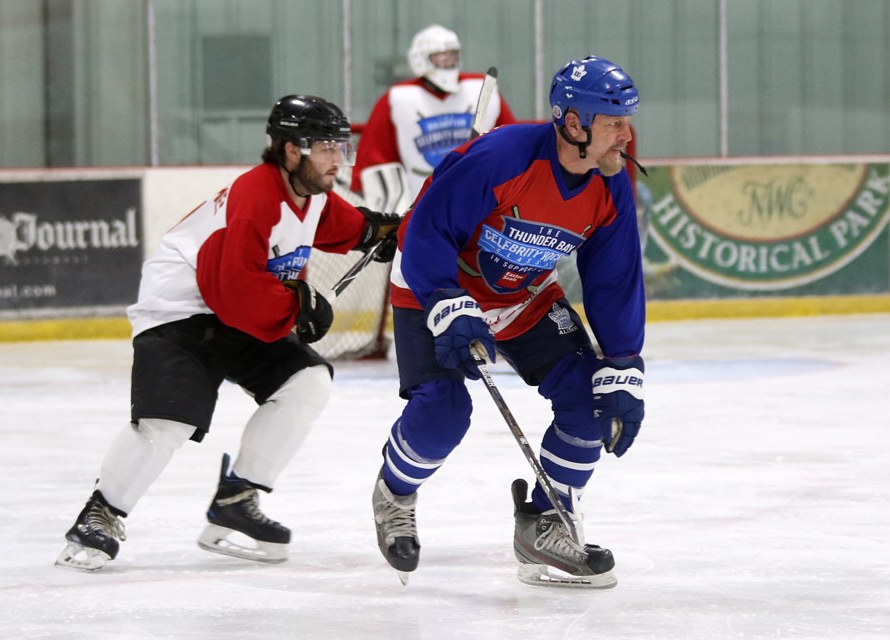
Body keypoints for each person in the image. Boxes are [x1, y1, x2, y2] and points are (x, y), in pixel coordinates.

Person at [56, 95, 401, 572]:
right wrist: (298, 304)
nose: (338, 160)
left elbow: (343, 224)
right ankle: (100, 514)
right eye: (326, 148)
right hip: (180, 313)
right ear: (290, 149)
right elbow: (233, 292)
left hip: (233, 312)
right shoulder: (255, 196)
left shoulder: (309, 196)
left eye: (342, 147)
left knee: (307, 382)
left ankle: (238, 500)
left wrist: (379, 232)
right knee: (168, 424)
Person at [370, 56, 646, 588]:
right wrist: (446, 301)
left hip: (522, 295)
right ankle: (395, 492)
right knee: (444, 412)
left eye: (627, 121)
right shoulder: (501, 158)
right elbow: (427, 232)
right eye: (614, 123)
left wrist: (623, 361)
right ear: (573, 123)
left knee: (592, 399)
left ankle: (543, 522)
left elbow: (613, 280)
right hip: (435, 286)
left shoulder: (609, 185)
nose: (626, 136)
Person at [350, 24, 517, 213]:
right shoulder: (398, 99)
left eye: (453, 55)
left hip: (479, 204)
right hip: (419, 206)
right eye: (441, 57)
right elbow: (375, 162)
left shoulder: (483, 91)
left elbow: (512, 148)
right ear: (420, 59)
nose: (448, 62)